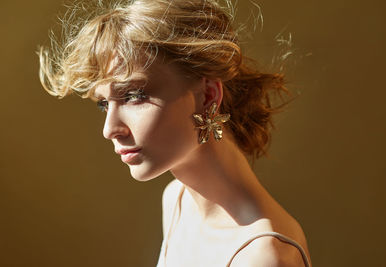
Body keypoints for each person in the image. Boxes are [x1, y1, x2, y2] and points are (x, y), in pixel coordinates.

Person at [38, 0, 311, 266]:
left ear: (208, 95)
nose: (110, 129)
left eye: (134, 96)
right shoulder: (177, 199)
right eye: (103, 104)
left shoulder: (264, 257)